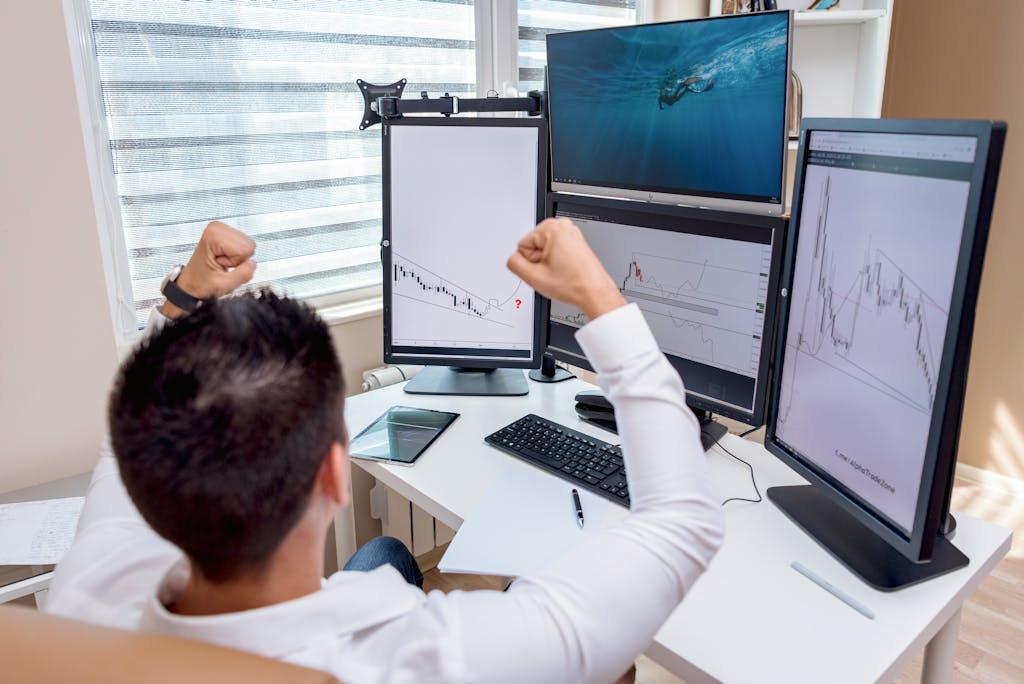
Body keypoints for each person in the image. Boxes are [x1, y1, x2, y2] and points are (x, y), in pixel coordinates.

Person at [46, 219, 724, 683]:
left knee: (388, 557)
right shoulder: (434, 659)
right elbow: (684, 520)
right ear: (334, 475)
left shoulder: (91, 588)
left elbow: (121, 434)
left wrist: (183, 299)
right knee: (527, 590)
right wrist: (597, 295)